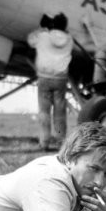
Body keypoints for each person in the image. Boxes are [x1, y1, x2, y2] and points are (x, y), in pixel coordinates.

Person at [27, 12, 72, 150]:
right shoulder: (69, 39)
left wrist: (42, 28)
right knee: (59, 113)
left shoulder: (43, 36)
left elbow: (30, 40)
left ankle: (44, 142)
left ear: (52, 24)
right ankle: (60, 141)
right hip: (61, 79)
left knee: (44, 112)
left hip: (44, 78)